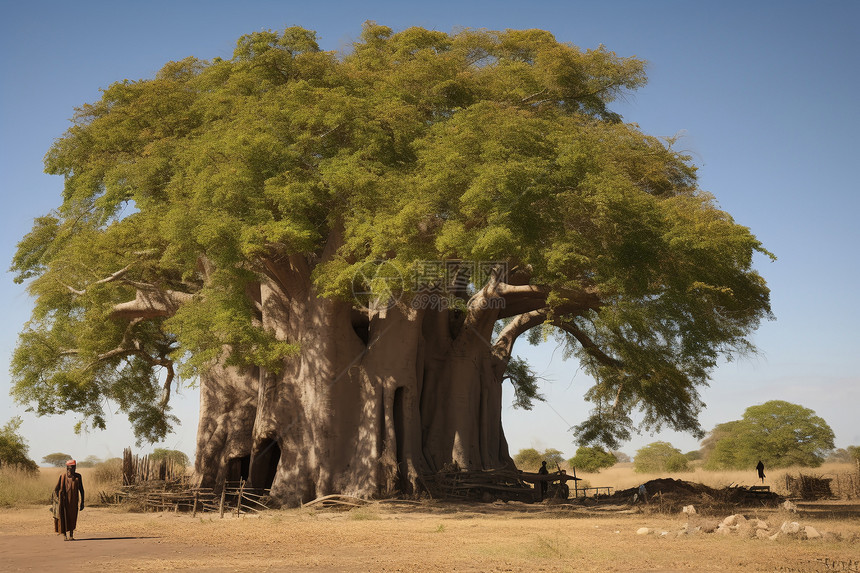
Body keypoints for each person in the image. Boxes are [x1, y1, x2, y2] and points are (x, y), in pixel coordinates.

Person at [54, 459, 84, 541]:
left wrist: (82, 502)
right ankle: (64, 535)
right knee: (63, 517)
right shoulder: (63, 477)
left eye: (74, 467)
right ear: (67, 468)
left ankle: (71, 535)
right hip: (64, 502)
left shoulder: (78, 477)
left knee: (73, 518)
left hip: (74, 502)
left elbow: (81, 489)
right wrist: (57, 500)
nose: (73, 469)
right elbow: (56, 489)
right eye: (71, 468)